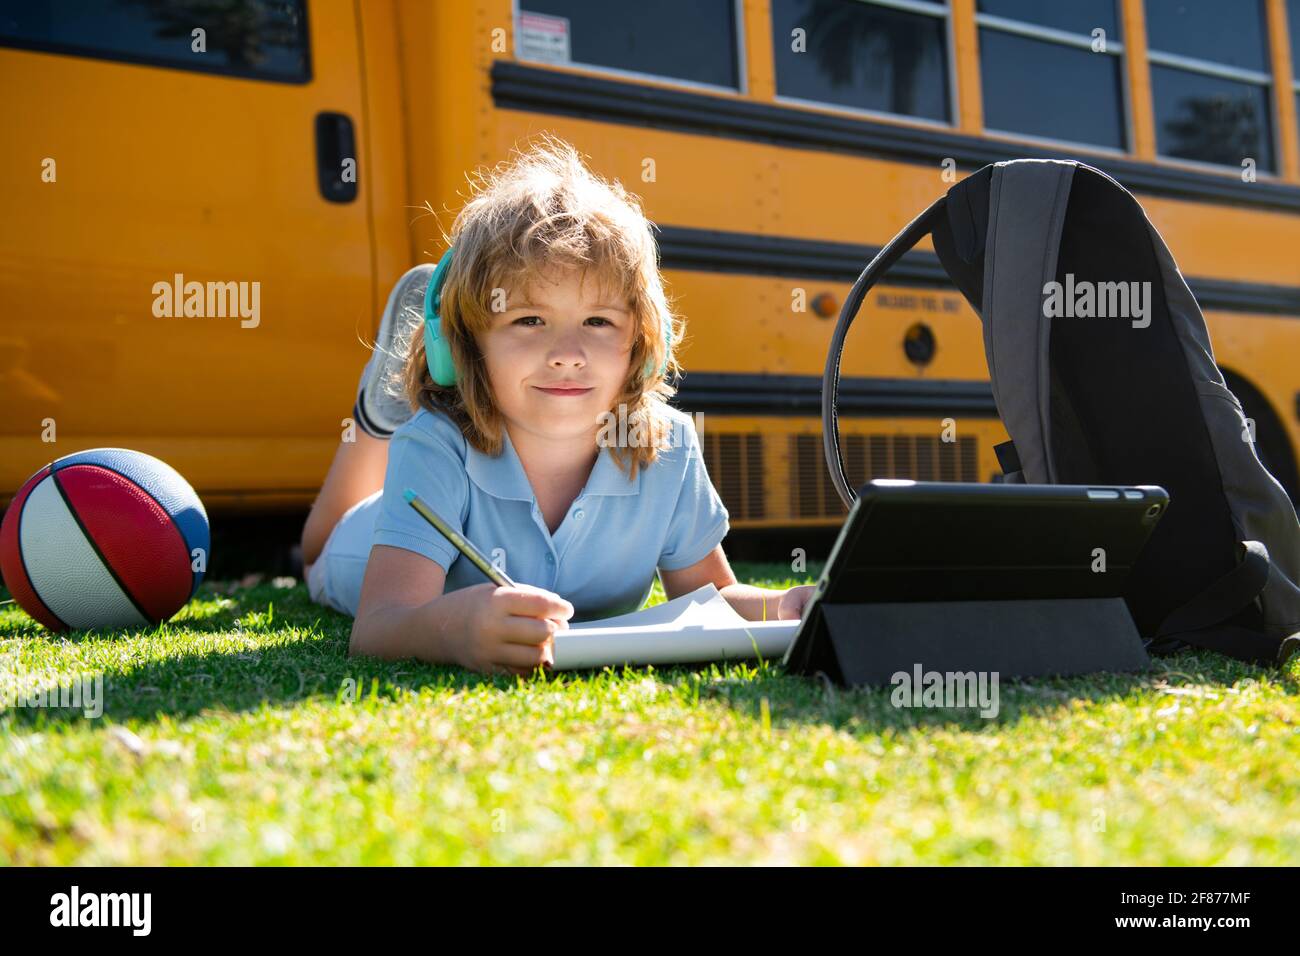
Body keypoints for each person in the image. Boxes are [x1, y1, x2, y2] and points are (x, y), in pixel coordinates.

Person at [301, 136, 814, 676]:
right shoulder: (436, 446)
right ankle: (376, 419)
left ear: (641, 343)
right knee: (317, 546)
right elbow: (380, 625)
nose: (567, 356)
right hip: (363, 542)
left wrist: (778, 607)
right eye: (528, 321)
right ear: (462, 347)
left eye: (598, 322)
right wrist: (456, 629)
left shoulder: (670, 447)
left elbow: (713, 599)